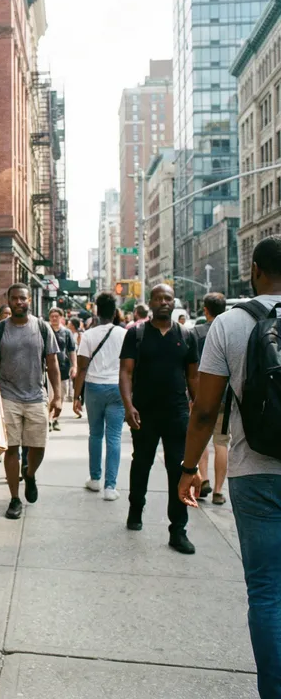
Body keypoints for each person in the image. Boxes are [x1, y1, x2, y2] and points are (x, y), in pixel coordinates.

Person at [179, 236, 281, 698]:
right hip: (252, 474)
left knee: (266, 592)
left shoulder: (229, 324)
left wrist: (188, 468)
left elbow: (205, 409)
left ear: (255, 270)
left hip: (253, 469)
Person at [119, 283, 199, 554]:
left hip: (177, 413)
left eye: (168, 298)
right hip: (144, 412)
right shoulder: (137, 334)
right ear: (150, 302)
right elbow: (126, 373)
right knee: (142, 462)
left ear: (174, 302)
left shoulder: (186, 336)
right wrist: (128, 405)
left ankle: (178, 530)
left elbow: (193, 376)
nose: (164, 302)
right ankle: (135, 509)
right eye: (159, 298)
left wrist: (197, 407)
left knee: (179, 470)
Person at [0, 283, 62, 520]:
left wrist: (58, 396)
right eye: (15, 298)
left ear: (30, 301)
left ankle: (29, 474)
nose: (19, 302)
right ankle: (14, 498)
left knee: (38, 446)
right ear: (8, 300)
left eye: (23, 298)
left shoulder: (42, 328)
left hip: (36, 397)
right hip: (8, 397)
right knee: (12, 449)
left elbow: (52, 364)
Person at [73, 292, 127, 500]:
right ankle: (110, 487)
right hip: (117, 388)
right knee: (114, 437)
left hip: (94, 387)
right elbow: (130, 367)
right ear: (114, 312)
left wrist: (77, 396)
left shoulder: (88, 335)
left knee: (95, 434)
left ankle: (95, 479)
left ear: (96, 311)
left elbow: (82, 368)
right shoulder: (123, 335)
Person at [190, 292, 229, 504]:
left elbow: (191, 368)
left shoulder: (195, 333)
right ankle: (219, 491)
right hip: (225, 395)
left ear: (205, 310)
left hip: (201, 394)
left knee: (202, 436)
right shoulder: (229, 331)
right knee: (222, 442)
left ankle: (203, 479)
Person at [48, 307, 77, 430]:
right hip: (48, 369)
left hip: (63, 368)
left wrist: (74, 365)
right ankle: (49, 419)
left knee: (61, 394)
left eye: (57, 316)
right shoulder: (46, 330)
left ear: (61, 318)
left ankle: (56, 419)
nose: (54, 318)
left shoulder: (66, 333)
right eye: (52, 316)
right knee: (50, 395)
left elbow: (72, 350)